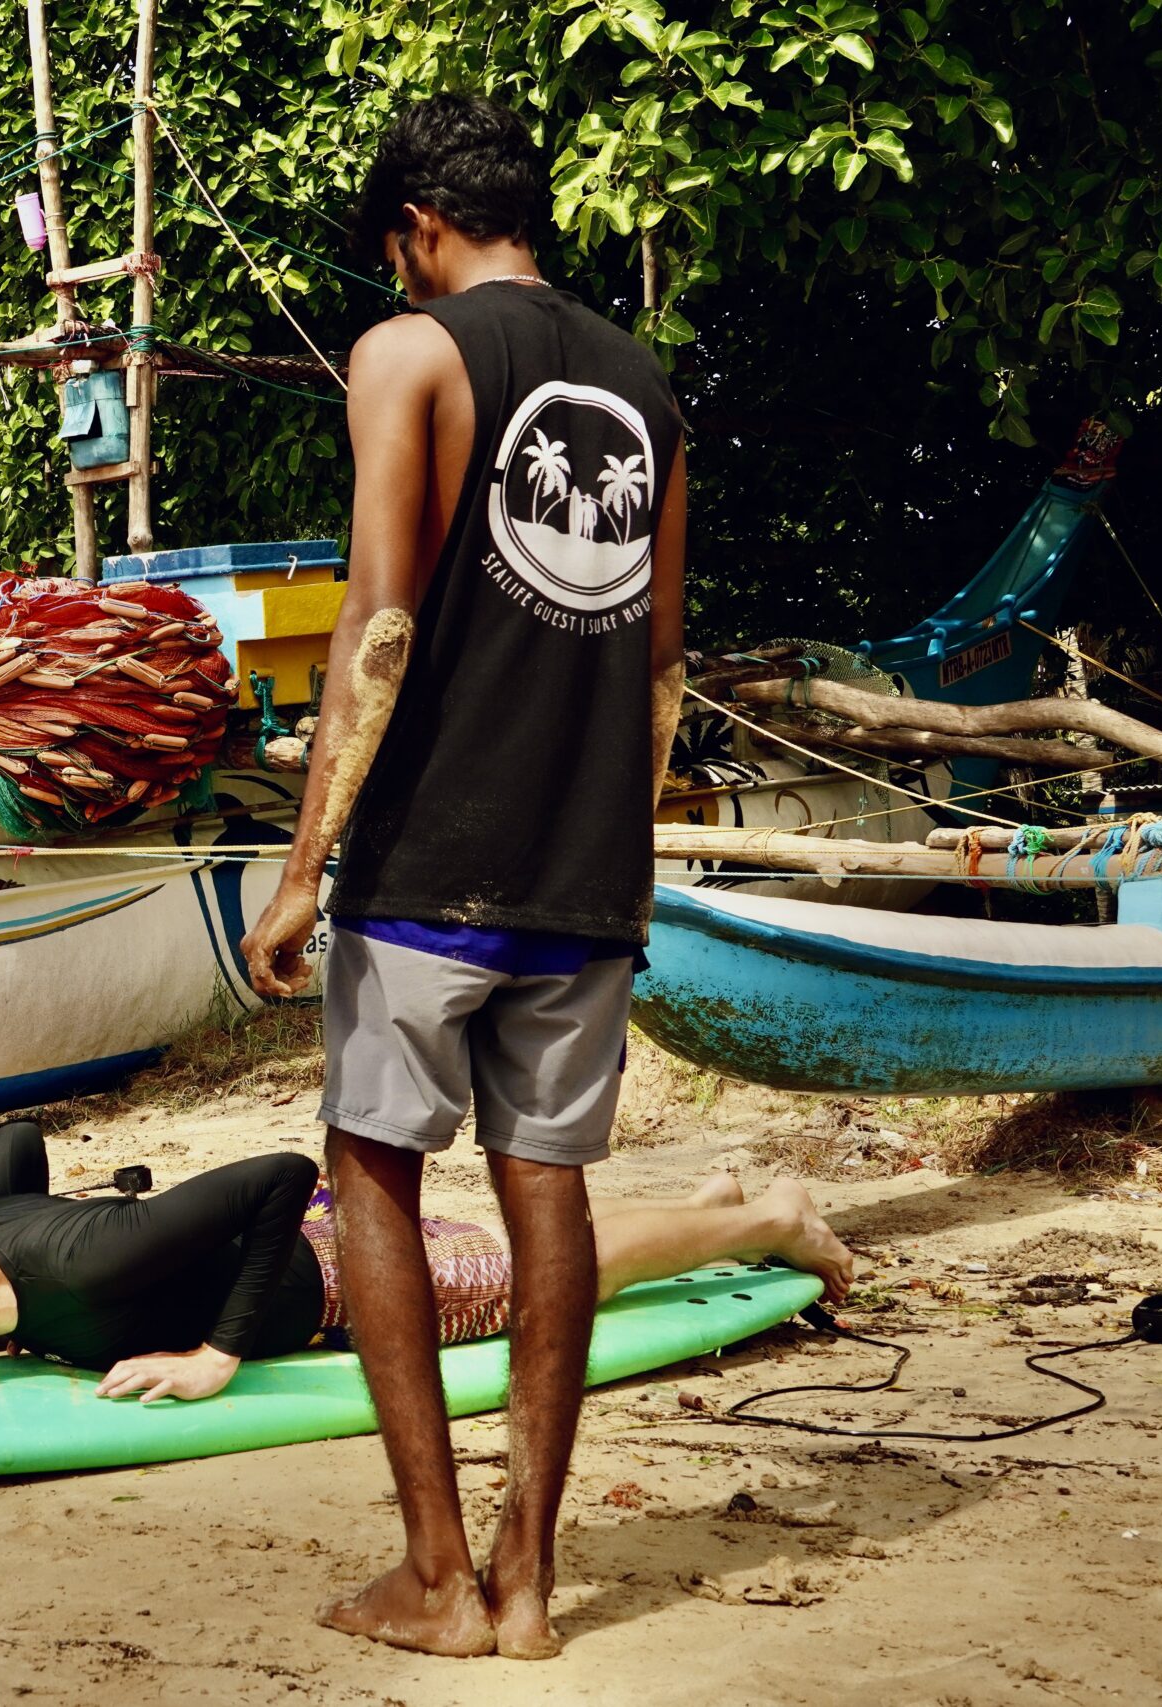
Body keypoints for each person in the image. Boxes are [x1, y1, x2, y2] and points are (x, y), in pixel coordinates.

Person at [237, 95, 690, 1660]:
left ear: (419, 229)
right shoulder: (644, 390)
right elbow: (659, 675)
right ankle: (532, 1579)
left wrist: (303, 871)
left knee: (372, 1163)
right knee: (546, 1180)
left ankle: (436, 1571)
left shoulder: (409, 352)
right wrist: (606, 858)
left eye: (400, 254)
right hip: (587, 873)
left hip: (431, 857)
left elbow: (377, 624)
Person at [0, 1125, 853, 1403]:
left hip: (334, 1279)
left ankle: (767, 1218)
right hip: (287, 1256)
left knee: (545, 1277)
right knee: (509, 1249)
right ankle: (702, 1206)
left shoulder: (92, 1263)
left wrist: (217, 1353)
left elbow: (278, 1174)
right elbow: (15, 1144)